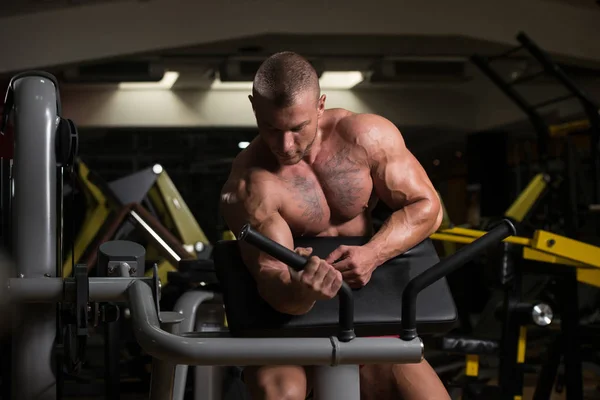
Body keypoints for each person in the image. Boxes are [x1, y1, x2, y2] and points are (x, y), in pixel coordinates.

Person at [220, 51, 450, 400]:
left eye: (297, 128)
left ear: (320, 105)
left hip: (368, 315)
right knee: (280, 394)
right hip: (288, 328)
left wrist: (373, 253)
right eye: (271, 128)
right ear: (254, 107)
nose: (285, 145)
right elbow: (273, 282)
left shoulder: (366, 136)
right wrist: (303, 290)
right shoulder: (250, 185)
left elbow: (428, 208)